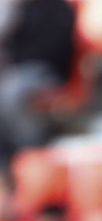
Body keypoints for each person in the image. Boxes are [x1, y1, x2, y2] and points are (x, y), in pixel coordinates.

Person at [0, 0, 77, 162]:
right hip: (17, 74)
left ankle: (27, 152)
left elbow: (58, 52)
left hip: (48, 74)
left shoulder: (58, 9)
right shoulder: (18, 11)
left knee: (12, 90)